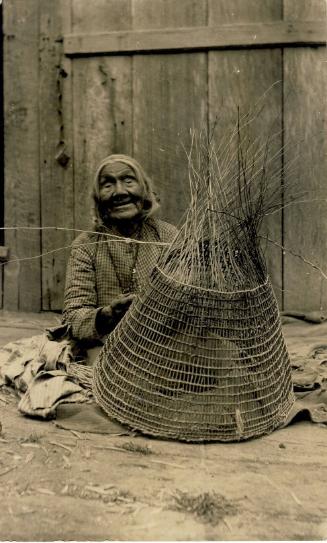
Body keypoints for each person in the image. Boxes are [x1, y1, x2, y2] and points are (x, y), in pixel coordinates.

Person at [62, 154, 178, 347]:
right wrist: (108, 314)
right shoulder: (86, 245)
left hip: (164, 344)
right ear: (98, 197)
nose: (119, 192)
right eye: (107, 185)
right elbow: (72, 318)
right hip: (107, 347)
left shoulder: (167, 236)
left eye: (128, 180)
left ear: (145, 189)